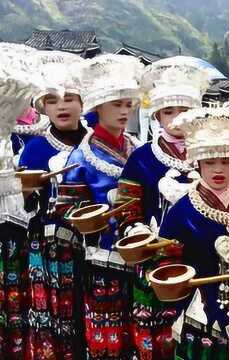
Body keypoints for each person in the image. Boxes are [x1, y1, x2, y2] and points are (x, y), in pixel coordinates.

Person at [114, 56, 211, 359]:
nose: (177, 118)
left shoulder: (213, 155)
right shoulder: (141, 158)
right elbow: (126, 209)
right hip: (158, 264)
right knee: (156, 339)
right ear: (156, 116)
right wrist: (139, 231)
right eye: (168, 111)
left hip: (205, 263)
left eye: (184, 111)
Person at [55, 54, 143, 359]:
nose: (124, 111)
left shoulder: (137, 149)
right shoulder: (81, 157)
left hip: (143, 257)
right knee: (107, 338)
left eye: (127, 104)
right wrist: (91, 219)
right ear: (98, 107)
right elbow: (65, 208)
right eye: (116, 104)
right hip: (102, 259)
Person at [158, 107, 229, 359]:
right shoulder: (182, 211)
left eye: (226, 161)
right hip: (201, 313)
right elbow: (165, 262)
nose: (219, 170)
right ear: (198, 162)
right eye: (210, 162)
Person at [16, 50, 87, 359]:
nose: (62, 106)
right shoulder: (34, 149)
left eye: (70, 97)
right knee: (54, 324)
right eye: (53, 99)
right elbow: (24, 204)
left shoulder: (97, 144)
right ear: (42, 105)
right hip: (49, 252)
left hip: (94, 250)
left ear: (83, 103)